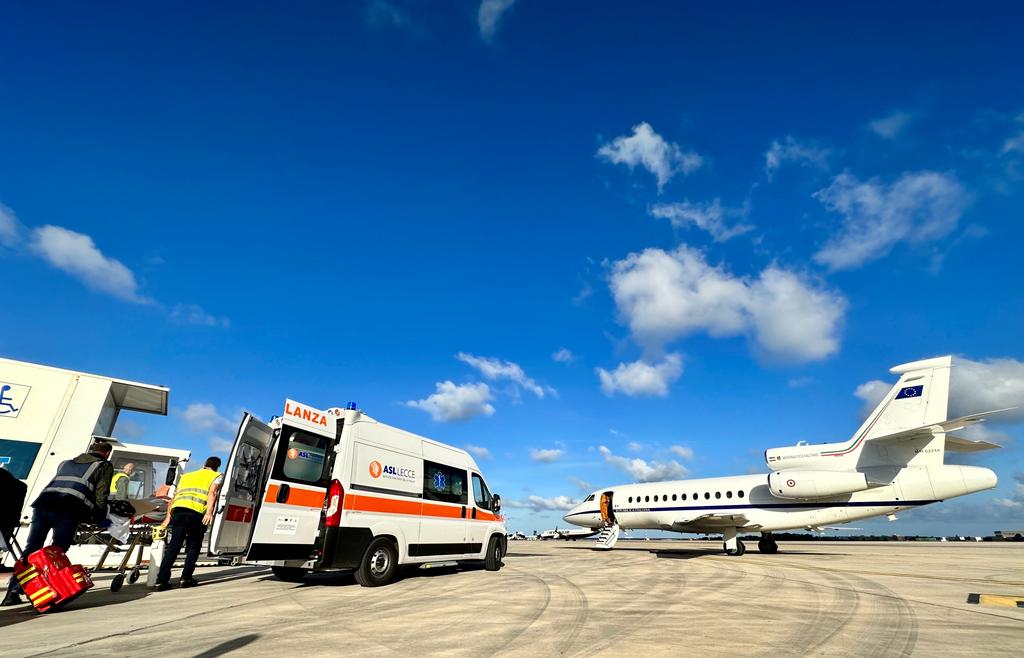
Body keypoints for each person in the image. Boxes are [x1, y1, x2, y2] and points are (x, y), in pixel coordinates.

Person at [2, 439, 113, 606]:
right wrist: (99, 517)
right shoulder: (103, 465)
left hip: (43, 505)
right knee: (57, 550)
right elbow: (101, 494)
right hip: (68, 509)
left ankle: (13, 592)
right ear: (106, 454)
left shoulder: (66, 463)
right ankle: (48, 590)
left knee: (32, 549)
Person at [154, 457, 222, 591]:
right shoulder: (216, 476)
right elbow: (212, 492)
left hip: (178, 511)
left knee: (174, 546)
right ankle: (186, 578)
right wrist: (209, 512)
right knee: (193, 546)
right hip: (196, 513)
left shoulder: (186, 476)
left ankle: (161, 581)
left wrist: (168, 517)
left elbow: (174, 498)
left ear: (204, 464)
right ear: (217, 467)